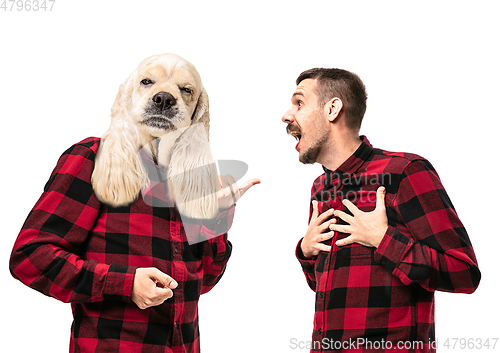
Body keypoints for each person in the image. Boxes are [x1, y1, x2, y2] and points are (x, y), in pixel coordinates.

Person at [282, 68, 480, 352]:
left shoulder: (404, 172)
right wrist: (306, 252)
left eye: (299, 103)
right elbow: (328, 288)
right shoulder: (320, 188)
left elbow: (465, 273)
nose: (287, 115)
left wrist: (383, 239)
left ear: (332, 109)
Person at [9, 137, 259, 353]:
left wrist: (217, 213)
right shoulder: (97, 157)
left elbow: (202, 283)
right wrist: (125, 285)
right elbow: (30, 256)